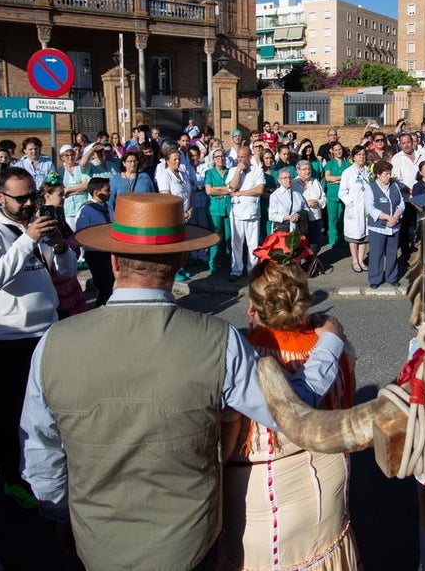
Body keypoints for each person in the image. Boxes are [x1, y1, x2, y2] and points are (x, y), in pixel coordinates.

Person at [20, 193, 346, 570]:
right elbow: (294, 412)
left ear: (113, 262)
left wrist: (62, 513)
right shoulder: (219, 341)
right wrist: (330, 343)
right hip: (190, 543)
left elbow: (41, 453)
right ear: (178, 261)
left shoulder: (53, 343)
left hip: (98, 544)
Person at [222, 238, 361, 570]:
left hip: (259, 504)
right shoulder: (335, 343)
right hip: (327, 496)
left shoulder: (240, 358)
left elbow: (226, 440)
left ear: (253, 309)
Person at [0, 167, 75, 509]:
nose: (29, 203)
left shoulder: (33, 227)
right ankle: (13, 478)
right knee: (12, 413)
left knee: (52, 408)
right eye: (21, 198)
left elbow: (66, 272)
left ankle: (50, 469)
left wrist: (58, 247)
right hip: (7, 339)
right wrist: (27, 238)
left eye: (32, 196)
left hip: (47, 331)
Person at [40, 182, 86, 319]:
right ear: (47, 196)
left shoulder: (59, 212)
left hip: (67, 267)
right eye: (60, 194)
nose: (63, 198)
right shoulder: (43, 217)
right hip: (57, 272)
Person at [156, 148, 195, 282]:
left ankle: (182, 266)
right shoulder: (164, 176)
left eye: (179, 159)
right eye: (174, 159)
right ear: (167, 161)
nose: (178, 162)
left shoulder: (183, 174)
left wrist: (190, 209)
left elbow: (189, 192)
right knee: (174, 243)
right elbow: (166, 198)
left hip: (186, 214)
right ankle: (173, 270)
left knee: (184, 243)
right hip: (173, 216)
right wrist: (181, 212)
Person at [74, 177, 114, 306]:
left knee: (111, 285)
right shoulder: (86, 210)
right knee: (104, 286)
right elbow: (82, 234)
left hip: (109, 251)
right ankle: (100, 310)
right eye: (107, 190)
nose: (110, 192)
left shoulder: (108, 206)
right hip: (96, 254)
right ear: (96, 192)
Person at [228, 145, 265, 282]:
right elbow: (232, 187)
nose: (240, 159)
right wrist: (238, 170)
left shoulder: (257, 171)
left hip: (252, 212)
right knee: (236, 243)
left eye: (243, 157)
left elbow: (259, 189)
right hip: (236, 213)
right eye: (239, 156)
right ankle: (236, 270)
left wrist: (241, 193)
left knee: (253, 243)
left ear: (249, 157)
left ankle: (252, 270)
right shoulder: (233, 170)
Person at [365, 160, 404, 289]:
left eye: (389, 174)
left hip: (394, 225)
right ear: (377, 174)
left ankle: (391, 277)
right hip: (378, 226)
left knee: (392, 252)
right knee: (377, 253)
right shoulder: (371, 187)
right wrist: (388, 217)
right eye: (385, 174)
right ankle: (375, 279)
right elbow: (370, 208)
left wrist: (396, 215)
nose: (388, 176)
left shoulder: (395, 186)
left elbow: (401, 203)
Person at [339, 145, 371, 274]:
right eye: (358, 155)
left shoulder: (368, 171)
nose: (361, 157)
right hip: (354, 209)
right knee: (354, 236)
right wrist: (351, 204)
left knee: (364, 236)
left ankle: (361, 259)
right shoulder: (347, 172)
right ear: (353, 157)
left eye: (363, 154)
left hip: (366, 209)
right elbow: (342, 192)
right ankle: (354, 260)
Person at [203, 149, 233, 276]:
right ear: (213, 159)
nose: (220, 158)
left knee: (229, 237)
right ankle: (213, 263)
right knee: (215, 237)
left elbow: (233, 187)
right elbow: (209, 191)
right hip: (215, 209)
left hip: (229, 209)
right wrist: (226, 190)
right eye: (217, 156)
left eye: (222, 156)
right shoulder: (209, 173)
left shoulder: (229, 171)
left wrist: (218, 189)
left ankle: (227, 262)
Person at [108, 149, 156, 219]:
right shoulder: (116, 179)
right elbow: (110, 201)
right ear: (124, 163)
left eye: (135, 161)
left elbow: (153, 197)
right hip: (122, 216)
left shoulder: (145, 177)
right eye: (130, 161)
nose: (133, 164)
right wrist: (113, 217)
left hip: (143, 216)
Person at [322, 141, 350, 249]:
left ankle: (342, 239)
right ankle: (333, 240)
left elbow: (349, 178)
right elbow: (328, 178)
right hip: (332, 195)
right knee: (332, 218)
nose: (338, 151)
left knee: (343, 218)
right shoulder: (330, 164)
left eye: (340, 149)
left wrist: (336, 179)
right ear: (332, 151)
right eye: (336, 150)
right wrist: (342, 178)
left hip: (344, 196)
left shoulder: (347, 164)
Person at [57, 144, 89, 233]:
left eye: (72, 154)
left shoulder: (81, 168)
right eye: (67, 155)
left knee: (83, 232)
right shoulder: (60, 172)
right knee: (71, 233)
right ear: (62, 157)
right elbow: (60, 191)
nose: (70, 157)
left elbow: (85, 185)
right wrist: (77, 189)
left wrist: (68, 190)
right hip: (69, 208)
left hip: (82, 204)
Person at [268, 167, 305, 236]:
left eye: (289, 177)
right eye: (285, 178)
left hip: (297, 229)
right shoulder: (275, 195)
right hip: (282, 229)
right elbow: (272, 216)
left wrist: (298, 215)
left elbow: (305, 208)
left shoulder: (297, 192)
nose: (288, 180)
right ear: (279, 180)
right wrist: (287, 217)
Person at [258, 147, 278, 237]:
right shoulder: (259, 172)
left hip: (275, 205)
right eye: (266, 158)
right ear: (262, 159)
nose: (269, 160)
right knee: (264, 230)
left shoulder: (276, 172)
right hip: (263, 205)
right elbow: (260, 191)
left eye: (270, 158)